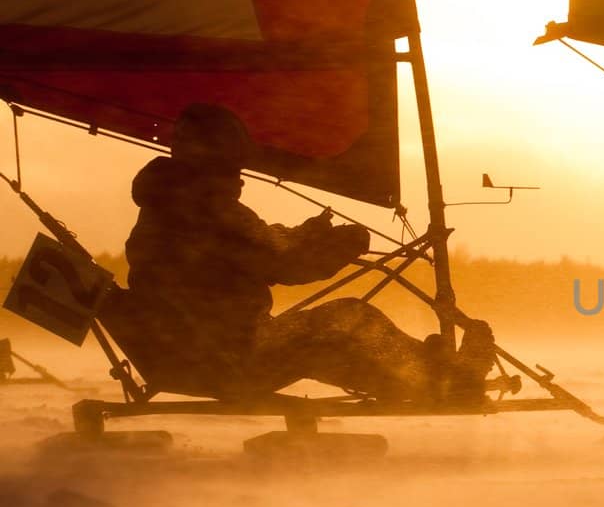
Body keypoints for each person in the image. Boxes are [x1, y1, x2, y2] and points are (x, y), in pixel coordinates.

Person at [116, 103, 494, 404]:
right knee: (349, 319)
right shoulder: (212, 209)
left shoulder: (168, 204)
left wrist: (306, 233)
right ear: (226, 155)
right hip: (229, 358)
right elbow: (284, 263)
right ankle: (443, 382)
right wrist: (345, 244)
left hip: (188, 353)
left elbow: (254, 245)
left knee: (328, 331)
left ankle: (428, 372)